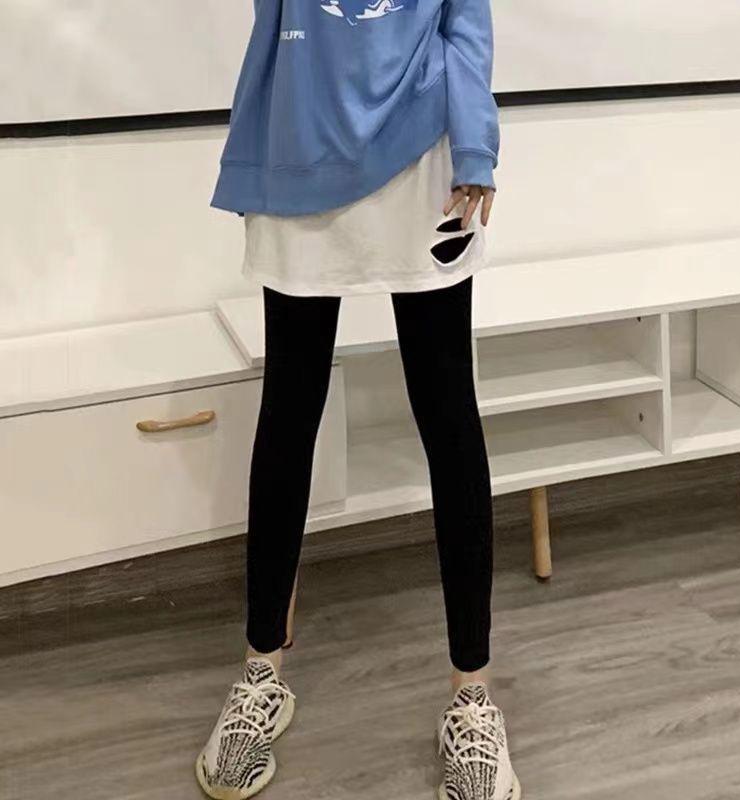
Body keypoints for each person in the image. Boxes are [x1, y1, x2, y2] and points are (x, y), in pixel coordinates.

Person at [196, 1, 520, 798]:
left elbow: (464, 23)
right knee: (289, 410)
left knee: (447, 413)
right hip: (300, 145)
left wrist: (476, 144)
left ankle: (472, 697)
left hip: (423, 156)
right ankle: (260, 674)